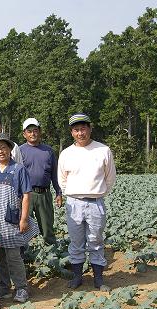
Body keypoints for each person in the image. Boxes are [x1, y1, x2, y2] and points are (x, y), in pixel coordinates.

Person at [58, 114, 116, 291]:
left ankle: (98, 278)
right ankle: (77, 277)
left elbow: (110, 178)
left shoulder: (103, 150)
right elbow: (62, 179)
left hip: (95, 202)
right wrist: (74, 194)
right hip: (73, 202)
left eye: (83, 128)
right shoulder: (66, 153)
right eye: (76, 130)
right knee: (76, 242)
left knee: (96, 240)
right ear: (71, 132)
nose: (80, 133)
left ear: (90, 129)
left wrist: (97, 193)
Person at [0, 132, 39, 302]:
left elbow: (26, 196)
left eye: (3, 148)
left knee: (14, 257)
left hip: (12, 221)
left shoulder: (18, 169)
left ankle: (21, 288)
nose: (0, 151)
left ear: (10, 149)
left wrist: (24, 219)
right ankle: (4, 287)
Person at [20, 118, 63, 245]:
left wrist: (59, 193)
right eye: (29, 131)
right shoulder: (19, 150)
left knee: (47, 226)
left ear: (40, 132)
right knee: (25, 227)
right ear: (24, 134)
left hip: (44, 194)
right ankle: (27, 254)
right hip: (25, 195)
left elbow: (55, 174)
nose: (32, 134)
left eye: (35, 130)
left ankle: (51, 251)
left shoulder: (48, 151)